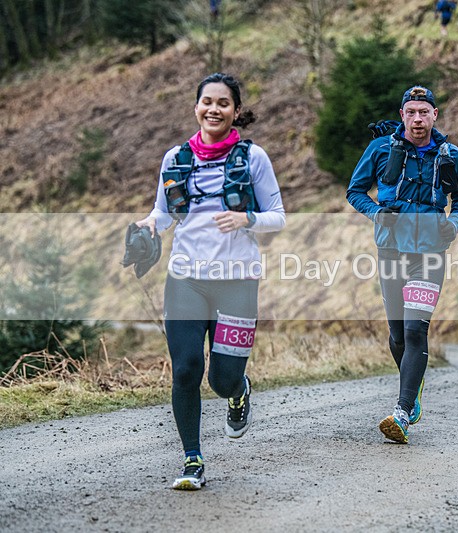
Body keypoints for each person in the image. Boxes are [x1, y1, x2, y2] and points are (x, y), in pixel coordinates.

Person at [135, 73, 286, 489]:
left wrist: (247, 218)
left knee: (221, 379)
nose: (214, 109)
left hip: (237, 281)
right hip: (185, 279)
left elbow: (278, 216)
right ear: (196, 107)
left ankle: (239, 392)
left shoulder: (253, 158)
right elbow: (164, 213)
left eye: (223, 103)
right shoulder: (175, 159)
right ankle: (192, 460)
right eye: (207, 102)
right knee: (185, 370)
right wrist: (148, 225)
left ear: (236, 111)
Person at [347, 86, 458, 444]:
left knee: (417, 331)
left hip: (430, 252)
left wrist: (454, 223)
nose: (418, 118)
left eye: (424, 112)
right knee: (399, 335)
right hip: (391, 250)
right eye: (411, 111)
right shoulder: (381, 148)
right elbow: (354, 191)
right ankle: (413, 387)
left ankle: (401, 411)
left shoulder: (450, 154)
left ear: (435, 115)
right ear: (402, 115)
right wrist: (376, 213)